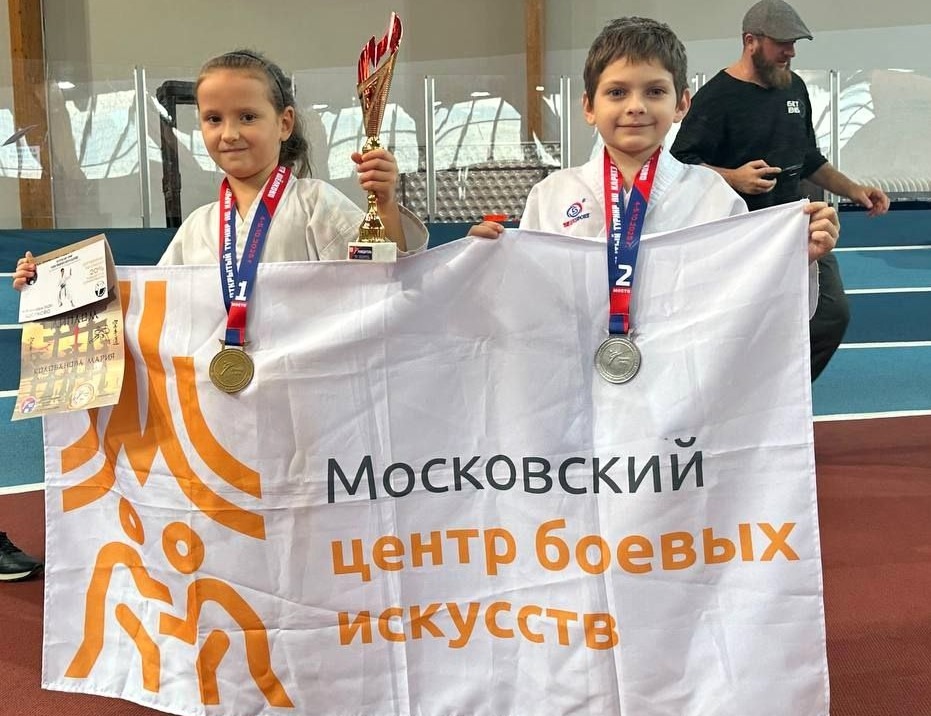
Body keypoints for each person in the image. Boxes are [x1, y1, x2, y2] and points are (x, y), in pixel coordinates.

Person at [13, 48, 427, 284]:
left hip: (305, 387)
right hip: (220, 392)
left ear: (284, 123)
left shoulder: (316, 203)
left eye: (247, 116)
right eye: (214, 119)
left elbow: (386, 278)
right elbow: (148, 299)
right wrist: (47, 282)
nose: (229, 133)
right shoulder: (198, 226)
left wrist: (384, 203)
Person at [468, 17, 838, 269]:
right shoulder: (551, 195)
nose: (636, 107)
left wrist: (796, 257)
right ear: (589, 107)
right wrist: (484, 264)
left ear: (681, 105)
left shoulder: (714, 196)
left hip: (681, 362)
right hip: (577, 359)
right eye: (616, 92)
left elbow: (743, 284)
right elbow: (527, 292)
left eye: (655, 91)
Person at [670, 0, 889, 380]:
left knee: (830, 316)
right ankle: (746, 396)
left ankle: (783, 394)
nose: (791, 51)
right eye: (782, 43)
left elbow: (809, 158)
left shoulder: (794, 88)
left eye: (794, 43)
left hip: (797, 224)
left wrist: (854, 189)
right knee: (746, 326)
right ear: (750, 41)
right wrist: (733, 177)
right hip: (743, 234)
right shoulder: (717, 98)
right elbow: (680, 165)